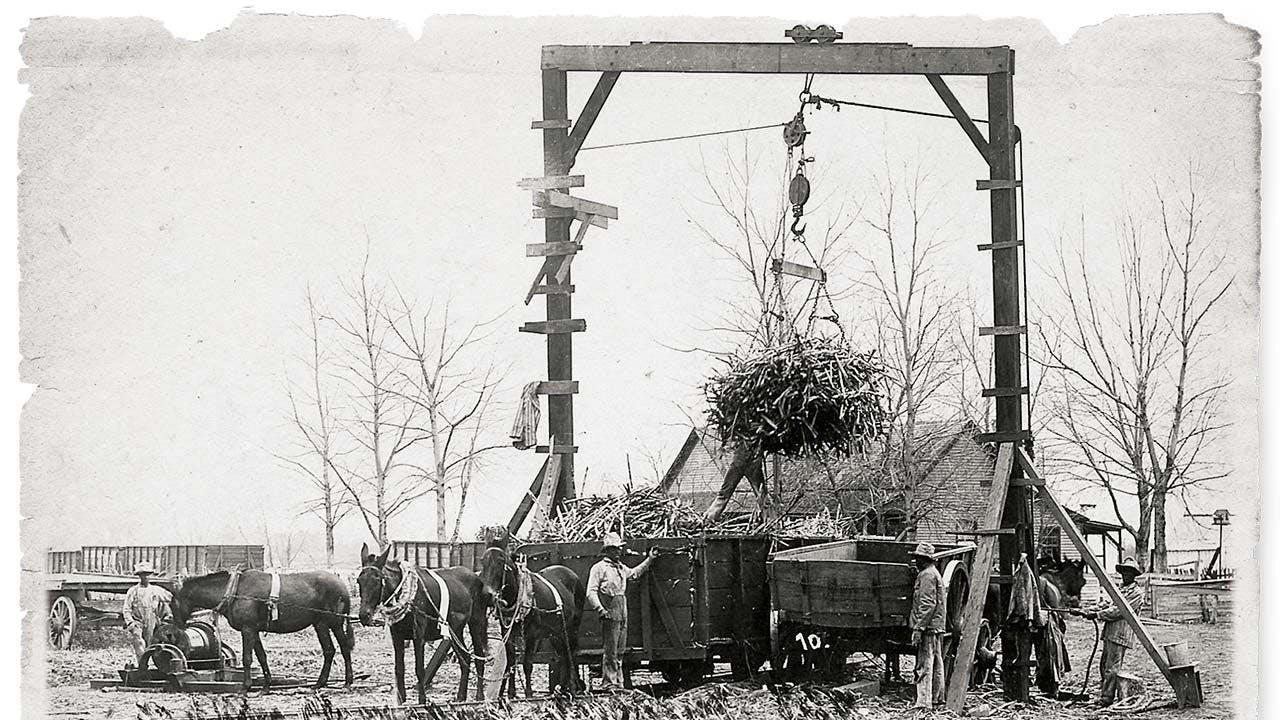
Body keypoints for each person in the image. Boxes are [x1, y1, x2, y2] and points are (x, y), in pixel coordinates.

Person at [585, 532, 658, 690]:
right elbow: (591, 592)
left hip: (622, 607)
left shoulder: (620, 567)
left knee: (620, 650)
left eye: (620, 549)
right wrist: (601, 610)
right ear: (608, 550)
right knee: (610, 650)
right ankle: (609, 684)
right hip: (610, 607)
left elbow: (634, 574)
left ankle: (618, 683)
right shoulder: (599, 568)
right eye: (616, 549)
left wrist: (650, 559)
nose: (619, 551)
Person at [1076, 557, 1146, 706]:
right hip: (1110, 632)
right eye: (1124, 571)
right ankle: (1105, 694)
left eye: (1129, 572)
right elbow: (1106, 604)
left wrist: (1097, 615)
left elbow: (1119, 611)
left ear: (1134, 575)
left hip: (1121, 634)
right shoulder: (1119, 589)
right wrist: (1085, 611)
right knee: (1104, 666)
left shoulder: (1137, 593)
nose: (1126, 574)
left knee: (1112, 668)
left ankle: (1106, 699)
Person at [908, 542, 946, 710]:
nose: (916, 561)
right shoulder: (933, 573)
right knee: (936, 662)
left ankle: (924, 703)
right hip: (935, 626)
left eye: (918, 559)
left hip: (928, 627)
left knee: (924, 664)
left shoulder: (926, 576)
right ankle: (937, 699)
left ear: (925, 560)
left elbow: (927, 604)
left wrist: (918, 628)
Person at [123, 561, 172, 662]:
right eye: (142, 575)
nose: (145, 577)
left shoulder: (156, 590)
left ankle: (158, 664)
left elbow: (171, 598)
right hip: (138, 621)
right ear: (139, 576)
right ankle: (142, 666)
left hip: (152, 621)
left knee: (152, 645)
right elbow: (126, 609)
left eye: (147, 575)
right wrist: (130, 622)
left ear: (151, 575)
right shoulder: (133, 591)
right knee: (138, 640)